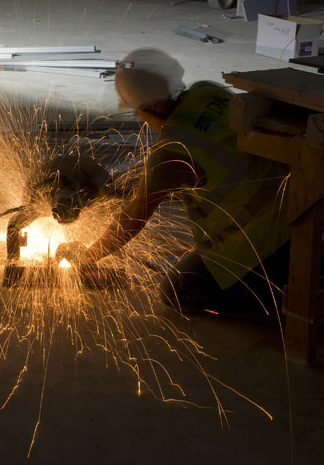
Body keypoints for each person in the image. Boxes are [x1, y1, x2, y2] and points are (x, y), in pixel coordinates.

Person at [59, 48, 296, 314]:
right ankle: (298, 270)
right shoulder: (207, 91)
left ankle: (282, 301)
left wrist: (87, 256)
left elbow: (132, 219)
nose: (137, 115)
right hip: (296, 216)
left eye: (138, 109)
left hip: (257, 245)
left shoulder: (171, 151)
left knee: (176, 292)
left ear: (156, 105)